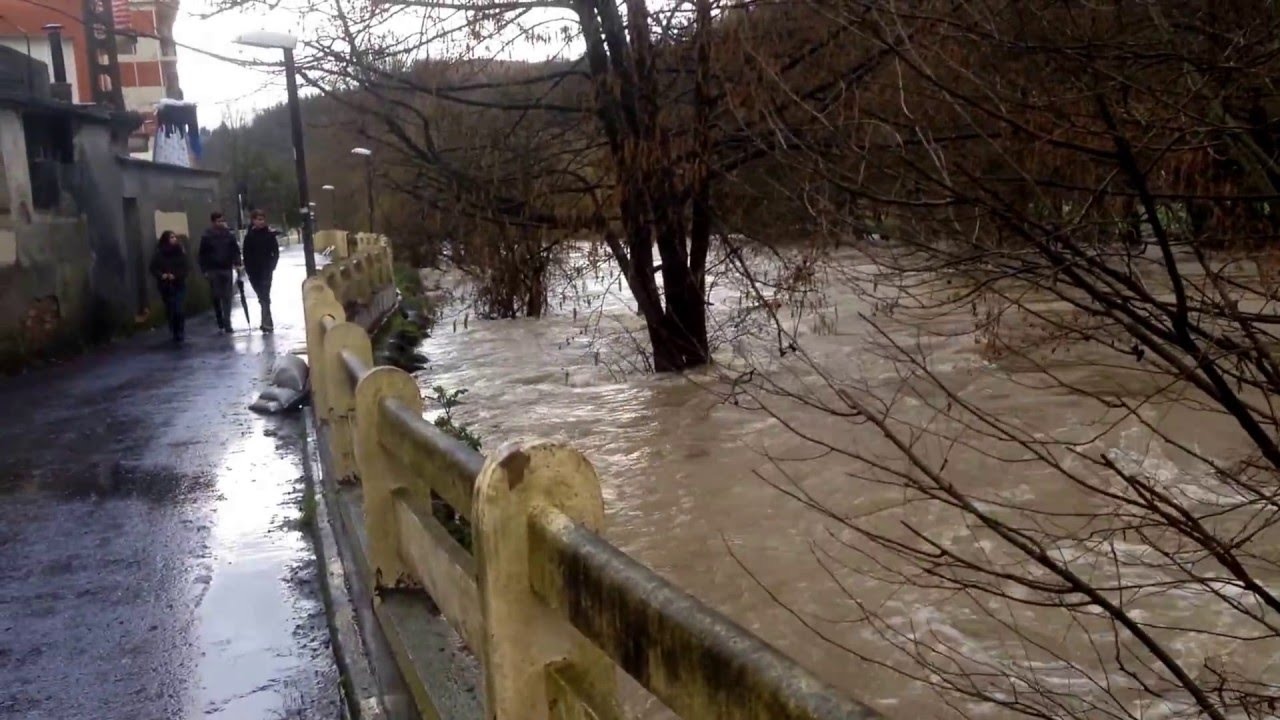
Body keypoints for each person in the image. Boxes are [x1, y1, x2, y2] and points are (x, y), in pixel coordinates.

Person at [198, 211, 242, 333]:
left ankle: (227, 323)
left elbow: (235, 250)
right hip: (213, 269)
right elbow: (202, 255)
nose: (222, 223)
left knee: (227, 297)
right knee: (216, 296)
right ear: (213, 222)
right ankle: (220, 320)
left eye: (223, 220)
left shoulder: (229, 235)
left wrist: (237, 262)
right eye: (219, 221)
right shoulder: (207, 236)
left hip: (226, 268)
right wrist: (205, 270)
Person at [242, 209, 280, 332]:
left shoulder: (269, 235)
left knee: (264, 295)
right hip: (253, 272)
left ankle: (267, 323)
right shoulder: (249, 237)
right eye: (258, 219)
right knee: (262, 296)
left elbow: (275, 252)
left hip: (266, 270)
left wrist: (272, 265)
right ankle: (266, 322)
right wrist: (248, 270)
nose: (261, 222)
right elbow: (246, 254)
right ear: (253, 221)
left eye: (262, 219)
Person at [149, 230, 188, 344]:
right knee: (171, 308)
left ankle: (180, 331)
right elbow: (153, 268)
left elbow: (185, 268)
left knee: (178, 308)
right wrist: (162, 275)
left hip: (179, 284)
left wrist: (175, 275)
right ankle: (174, 329)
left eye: (175, 237)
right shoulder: (159, 254)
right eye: (171, 237)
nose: (174, 239)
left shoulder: (180, 252)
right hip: (166, 286)